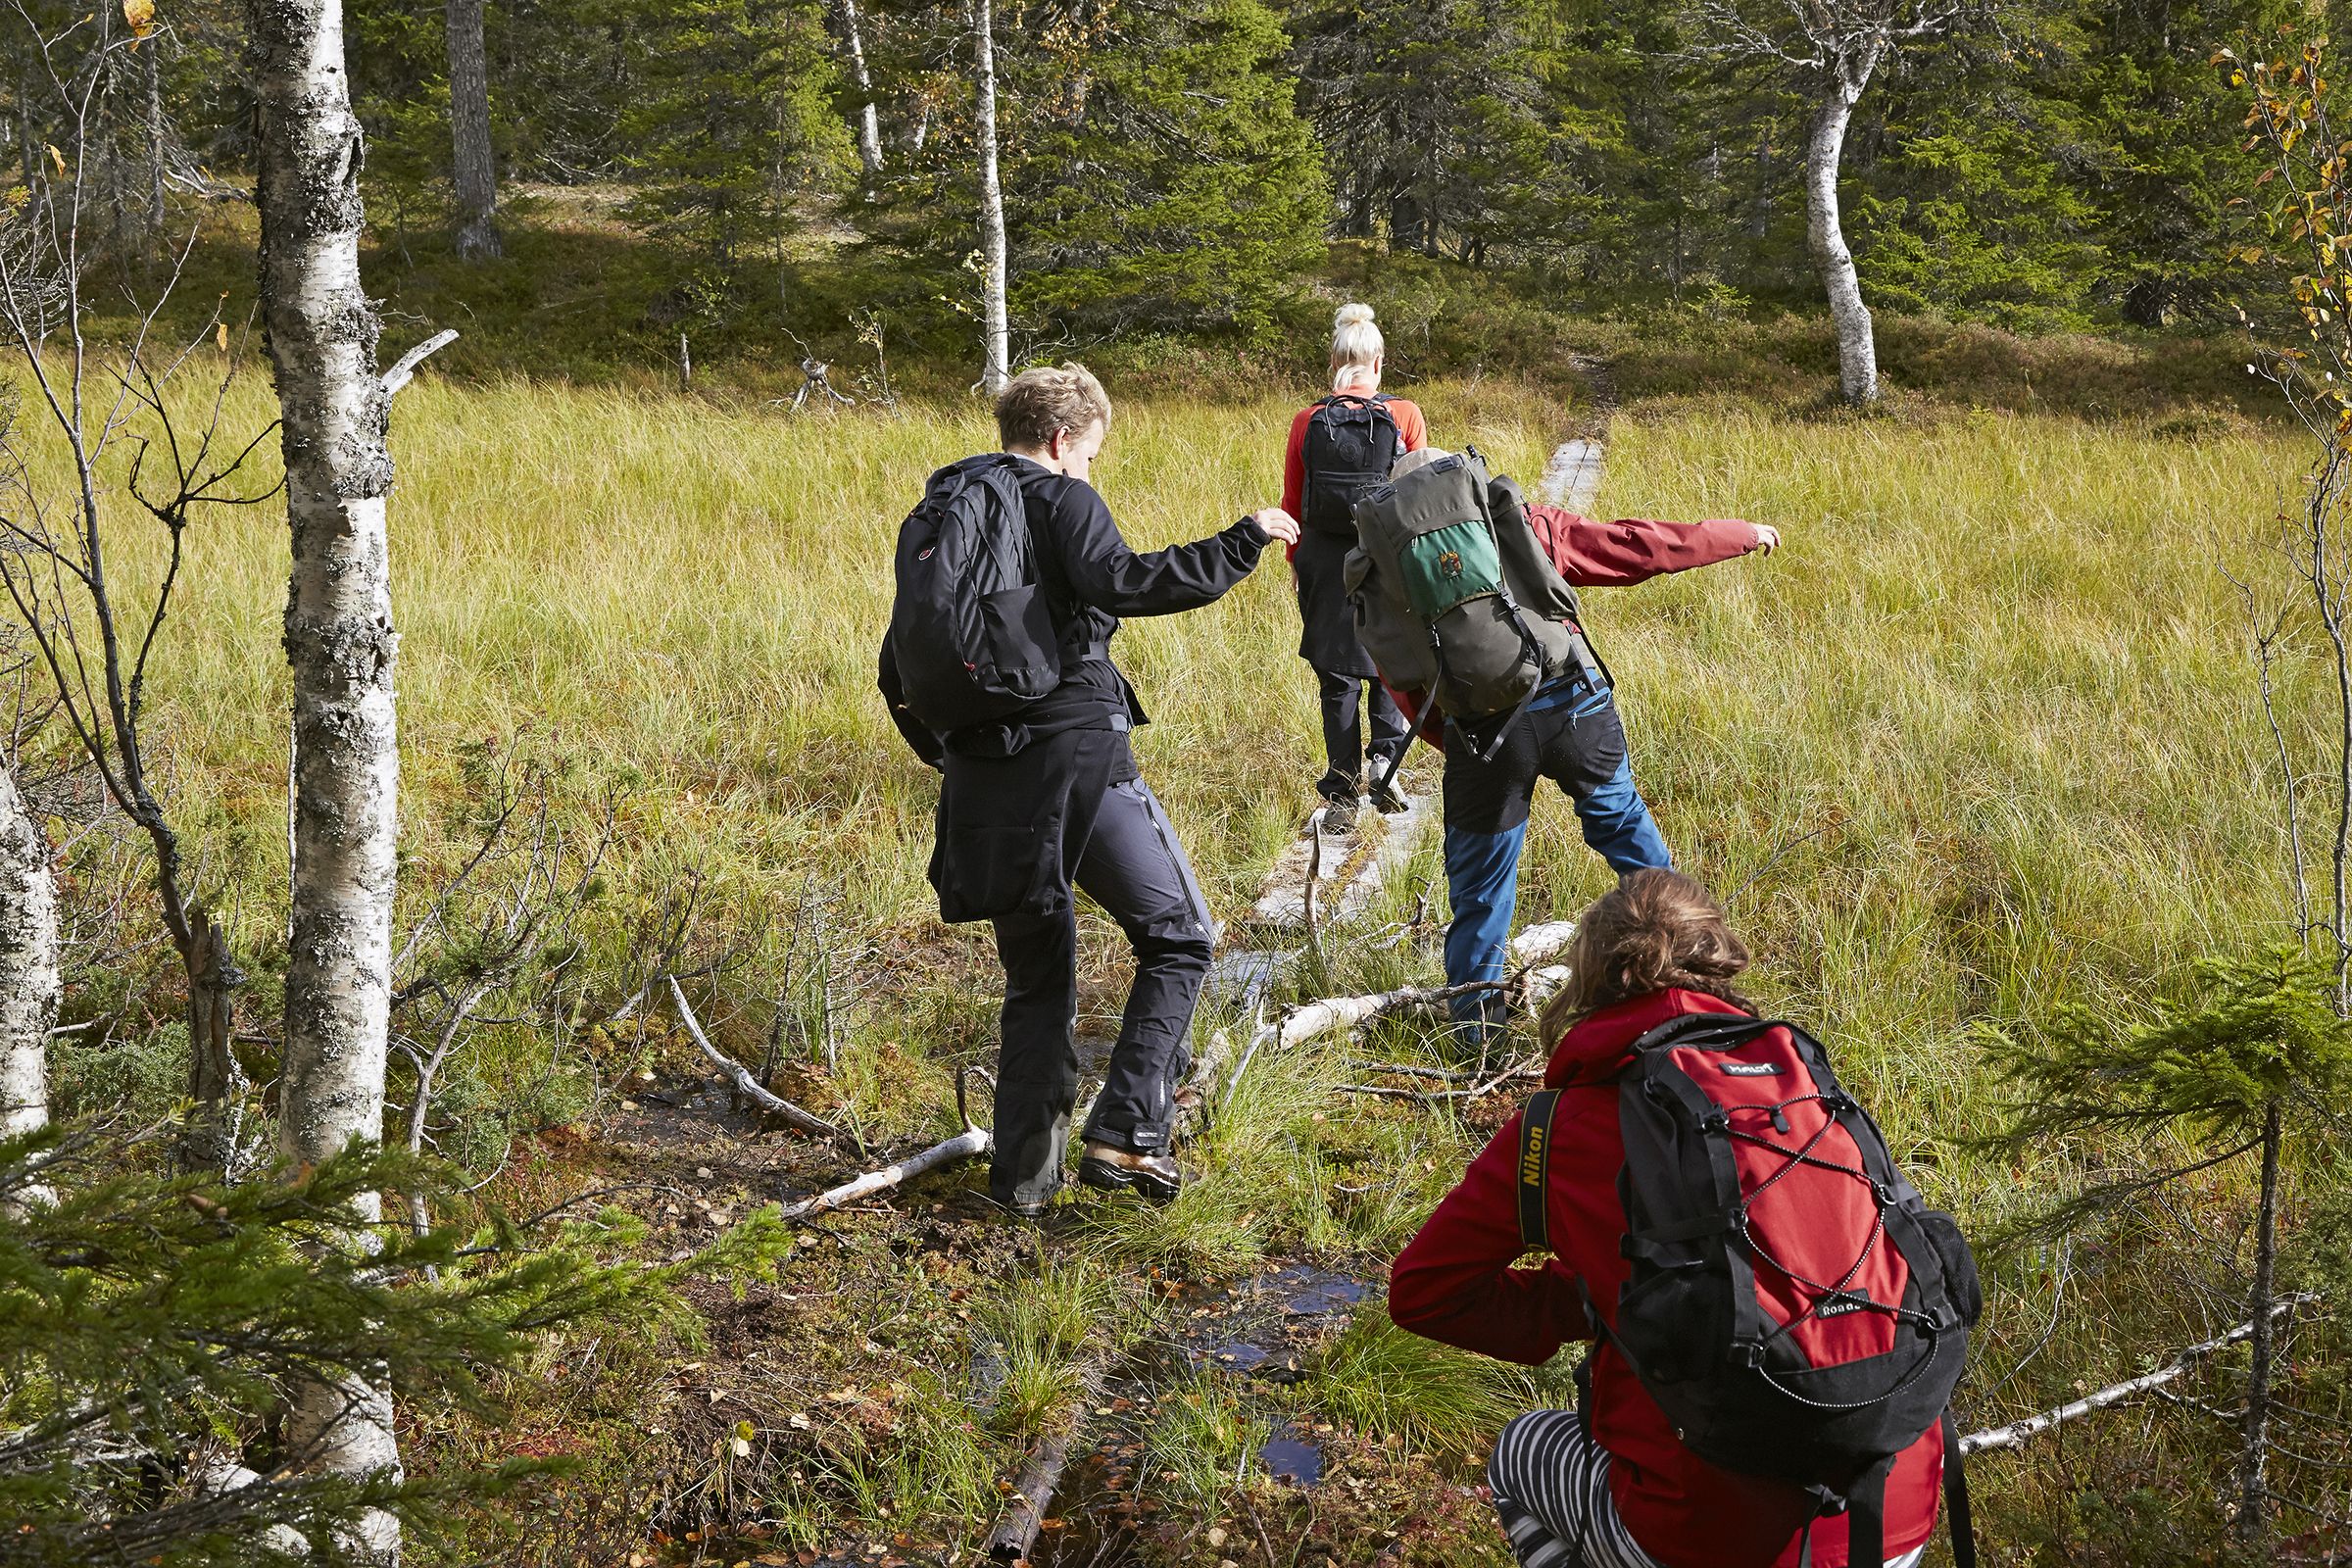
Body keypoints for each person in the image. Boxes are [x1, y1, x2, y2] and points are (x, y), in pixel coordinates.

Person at [1389, 870, 1946, 1568]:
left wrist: (1590, 1303)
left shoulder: (1557, 1126)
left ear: (1588, 980)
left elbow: (1423, 1292)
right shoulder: (1805, 1084)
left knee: (1519, 1456)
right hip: (1890, 1513)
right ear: (1719, 958)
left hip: (1705, 1530)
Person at [878, 364, 1300, 1215]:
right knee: (1181, 935)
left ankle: (1021, 1192)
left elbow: (904, 657)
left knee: (1038, 981)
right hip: (1075, 753)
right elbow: (1129, 583)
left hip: (983, 766)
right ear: (1065, 439)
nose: (1090, 467)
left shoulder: (941, 509)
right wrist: (1244, 538)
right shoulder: (1060, 497)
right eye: (1092, 452)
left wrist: (956, 755)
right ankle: (1127, 1133)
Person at [1374, 446, 1779, 1045]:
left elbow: (1405, 684)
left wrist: (1462, 736)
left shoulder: (1390, 566)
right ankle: (1693, 985)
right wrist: (1734, 534)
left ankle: (1477, 1043)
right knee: (1633, 847)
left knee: (1482, 895)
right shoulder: (1518, 520)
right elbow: (1632, 546)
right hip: (1574, 706)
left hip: (1484, 737)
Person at [1280, 303, 1427, 834]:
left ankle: (1341, 786)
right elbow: (1420, 496)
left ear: (1333, 363)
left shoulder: (1307, 420)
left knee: (1335, 672)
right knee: (1391, 657)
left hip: (1322, 555)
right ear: (1380, 363)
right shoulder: (1405, 414)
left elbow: (1293, 499)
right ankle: (1385, 764)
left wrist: (1296, 559)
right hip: (1385, 552)